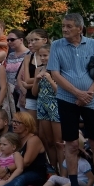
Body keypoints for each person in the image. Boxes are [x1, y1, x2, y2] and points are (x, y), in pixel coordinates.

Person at [47, 13, 94, 186]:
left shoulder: (92, 44)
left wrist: (88, 94)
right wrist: (77, 93)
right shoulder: (57, 45)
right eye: (63, 26)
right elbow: (55, 74)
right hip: (67, 99)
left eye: (68, 26)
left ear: (79, 28)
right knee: (71, 143)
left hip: (92, 100)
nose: (64, 29)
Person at [31, 42, 62, 172]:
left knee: (58, 142)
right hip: (42, 105)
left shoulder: (59, 70)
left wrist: (50, 79)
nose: (43, 58)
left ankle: (63, 170)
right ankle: (53, 168)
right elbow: (34, 93)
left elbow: (59, 92)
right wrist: (37, 80)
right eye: (41, 55)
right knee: (48, 141)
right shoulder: (39, 69)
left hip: (55, 106)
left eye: (45, 55)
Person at [20, 29, 49, 119]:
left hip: (47, 95)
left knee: (45, 128)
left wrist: (29, 85)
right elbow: (26, 80)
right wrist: (37, 80)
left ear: (44, 40)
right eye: (31, 40)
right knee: (33, 126)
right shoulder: (28, 57)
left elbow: (51, 77)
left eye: (36, 40)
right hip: (31, 95)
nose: (32, 43)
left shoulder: (50, 55)